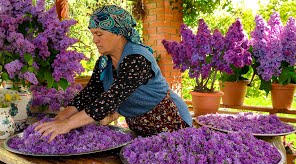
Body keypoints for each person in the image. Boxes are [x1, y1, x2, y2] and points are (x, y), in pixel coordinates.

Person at [35, 5, 192, 142]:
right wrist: (59, 119)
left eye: (99, 34)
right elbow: (89, 93)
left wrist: (67, 125)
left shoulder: (137, 58)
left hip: (170, 121)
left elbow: (111, 98)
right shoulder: (104, 62)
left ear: (118, 33)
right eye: (92, 34)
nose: (94, 40)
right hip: (141, 128)